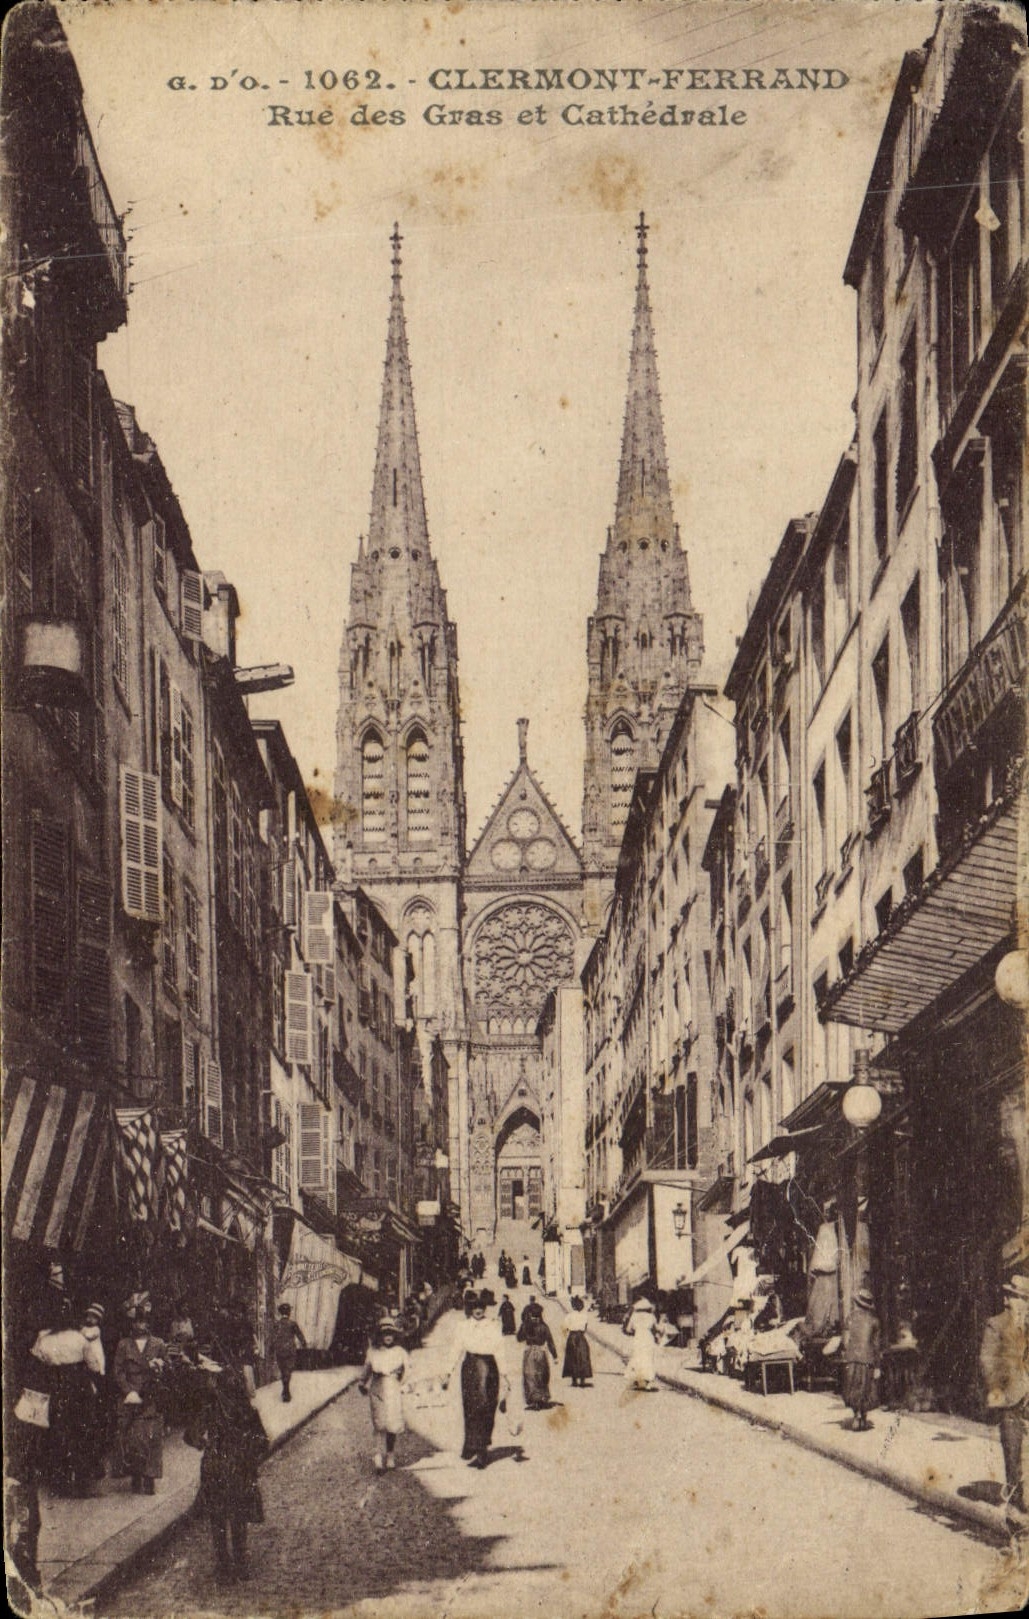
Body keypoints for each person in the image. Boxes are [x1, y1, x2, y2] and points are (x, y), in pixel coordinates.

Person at [185, 1351, 270, 1581]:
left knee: (218, 1516)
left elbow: (191, 1436)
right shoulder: (245, 1408)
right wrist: (249, 1455)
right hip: (238, 1465)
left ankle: (224, 1566)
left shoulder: (211, 1407)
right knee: (238, 1515)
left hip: (216, 1465)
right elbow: (263, 1442)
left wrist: (203, 1442)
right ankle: (240, 1564)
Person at [442, 1290, 512, 1467]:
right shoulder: (462, 1326)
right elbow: (455, 1349)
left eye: (481, 1306)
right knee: (472, 1407)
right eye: (474, 1306)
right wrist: (447, 1373)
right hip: (471, 1368)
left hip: (490, 1368)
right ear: (469, 1308)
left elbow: (500, 1349)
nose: (478, 1310)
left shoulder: (493, 1325)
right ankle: (473, 1445)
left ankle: (482, 1447)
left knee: (488, 1406)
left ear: (485, 1307)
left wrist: (504, 1374)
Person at [980, 1273, 1029, 1518]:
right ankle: (1016, 1496)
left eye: (1025, 1299)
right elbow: (987, 1360)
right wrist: (997, 1387)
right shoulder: (996, 1324)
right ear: (1009, 1299)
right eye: (1020, 1298)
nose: (1023, 1304)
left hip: (1028, 1392)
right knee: (1012, 1447)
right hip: (1010, 1395)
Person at [113, 1293, 166, 1493]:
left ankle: (150, 1478)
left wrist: (160, 1366)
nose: (139, 1326)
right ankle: (136, 1476)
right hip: (130, 1396)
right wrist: (128, 1391)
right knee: (133, 1439)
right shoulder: (124, 1344)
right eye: (136, 1322)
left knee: (152, 1438)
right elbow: (117, 1371)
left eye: (143, 1322)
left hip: (151, 1395)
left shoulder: (158, 1344)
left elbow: (167, 1367)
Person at [358, 1315, 410, 1472]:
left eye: (391, 1334)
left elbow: (408, 1371)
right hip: (377, 1388)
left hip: (393, 1387)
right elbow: (367, 1369)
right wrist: (362, 1382)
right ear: (379, 1336)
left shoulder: (400, 1352)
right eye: (385, 1334)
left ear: (395, 1335)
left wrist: (403, 1384)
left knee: (392, 1424)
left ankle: (390, 1454)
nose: (388, 1337)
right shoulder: (373, 1352)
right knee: (379, 1423)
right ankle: (378, 1456)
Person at [841, 1286, 881, 1431]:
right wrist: (877, 1365)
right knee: (866, 1388)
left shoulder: (850, 1319)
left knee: (853, 1387)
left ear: (856, 1303)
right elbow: (876, 1345)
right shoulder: (874, 1321)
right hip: (867, 1359)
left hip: (851, 1358)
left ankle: (857, 1415)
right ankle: (862, 1416)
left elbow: (845, 1342)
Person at [517, 1299, 557, 1409]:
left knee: (530, 1375)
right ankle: (541, 1398)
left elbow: (519, 1338)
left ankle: (534, 1399)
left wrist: (523, 1326)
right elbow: (550, 1341)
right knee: (541, 1374)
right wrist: (555, 1356)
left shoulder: (526, 1326)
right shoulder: (544, 1326)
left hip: (529, 1352)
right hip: (541, 1352)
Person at [272, 1303, 306, 1403]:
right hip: (290, 1350)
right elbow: (300, 1335)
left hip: (280, 1350)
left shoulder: (277, 1324)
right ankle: (286, 1391)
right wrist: (304, 1344)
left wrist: (272, 1348)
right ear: (289, 1312)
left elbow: (273, 1338)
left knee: (283, 1371)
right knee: (288, 1370)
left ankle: (285, 1390)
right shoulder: (292, 1323)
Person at [623, 1296, 659, 1391]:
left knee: (637, 1358)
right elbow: (656, 1328)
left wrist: (635, 1331)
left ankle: (638, 1381)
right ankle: (648, 1383)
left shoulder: (634, 1316)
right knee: (648, 1359)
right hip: (648, 1338)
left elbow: (628, 1329)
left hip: (638, 1338)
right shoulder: (651, 1316)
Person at [560, 1297, 593, 1388]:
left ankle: (574, 1380)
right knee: (582, 1357)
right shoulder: (584, 1316)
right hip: (581, 1337)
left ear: (573, 1306)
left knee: (572, 1358)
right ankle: (582, 1380)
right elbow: (585, 1328)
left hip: (572, 1337)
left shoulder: (569, 1315)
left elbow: (564, 1327)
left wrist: (566, 1335)